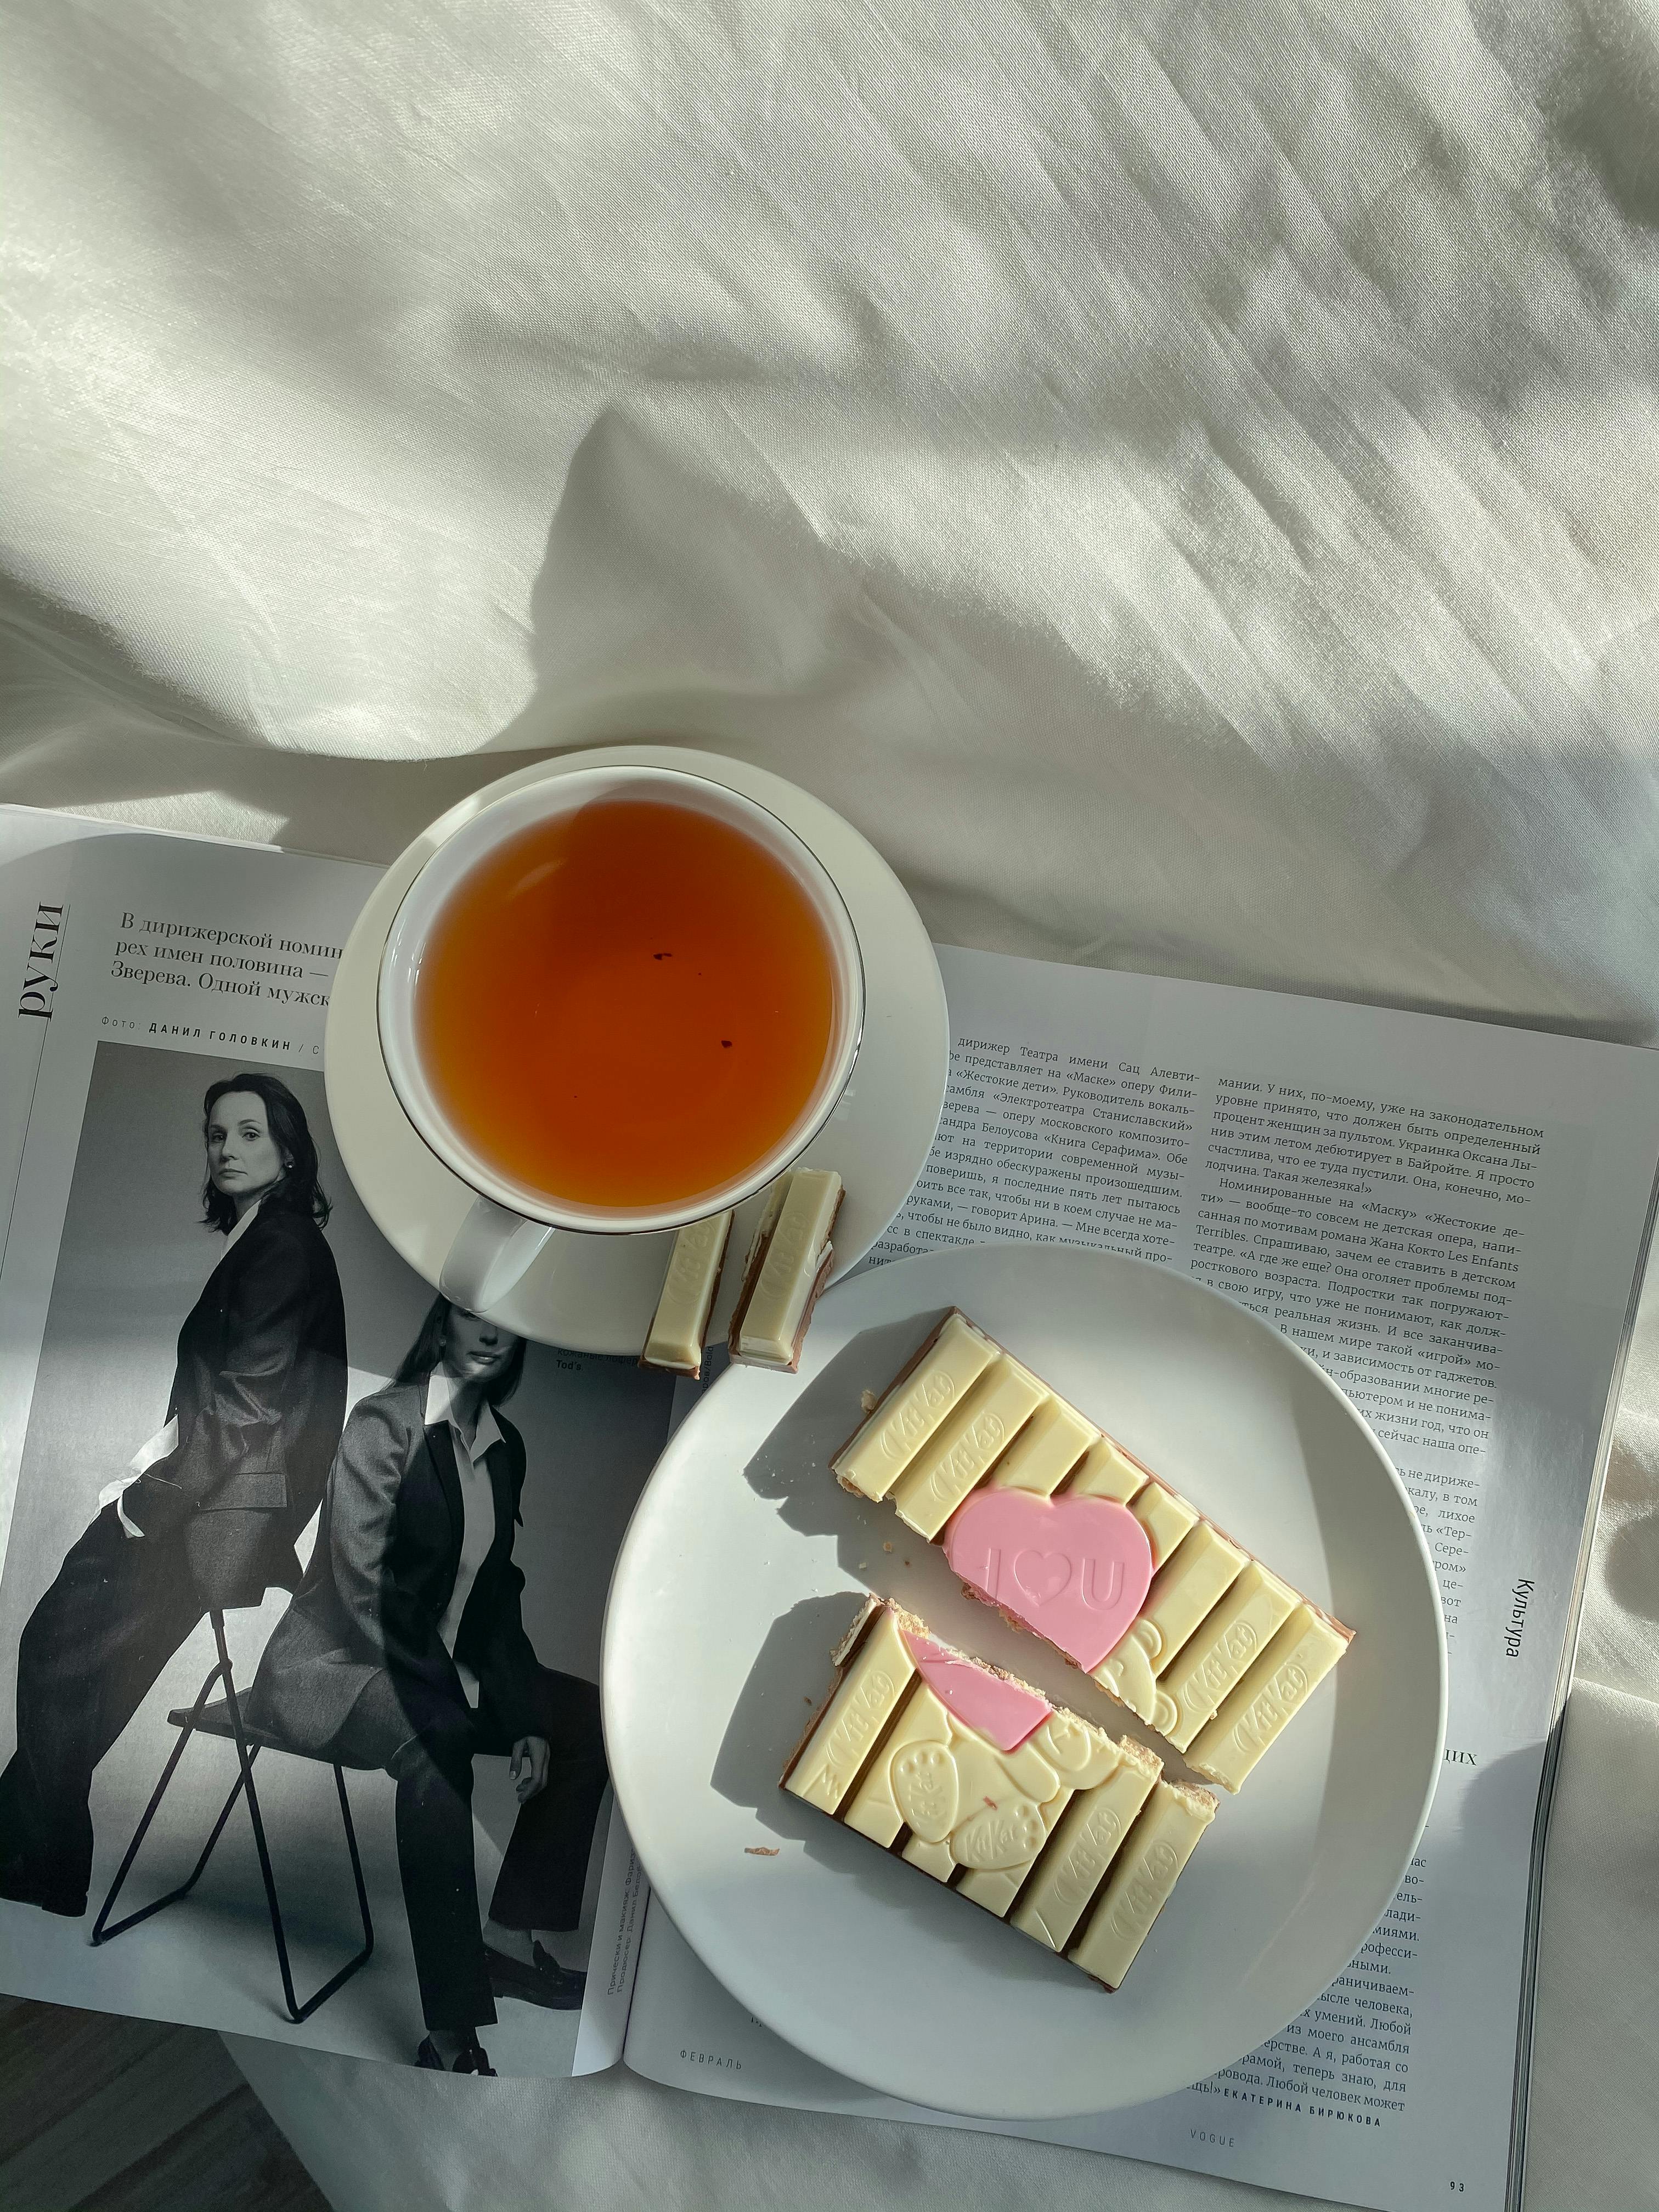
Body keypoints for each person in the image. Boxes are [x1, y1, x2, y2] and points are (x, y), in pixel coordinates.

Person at [0, 1071, 348, 1917]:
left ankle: (47, 1858)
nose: (226, 1149)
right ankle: (34, 1856)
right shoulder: (274, 1239)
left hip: (222, 1510)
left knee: (54, 1646)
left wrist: (147, 1504)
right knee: (91, 1665)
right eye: (216, 1134)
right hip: (230, 1499)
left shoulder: (283, 1248)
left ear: (289, 1151)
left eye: (249, 1133)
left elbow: (248, 1407)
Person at [246, 1297, 610, 2074]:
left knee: (583, 1721)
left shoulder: (504, 1447)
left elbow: (497, 1596)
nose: (492, 1332)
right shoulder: (384, 1426)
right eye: (474, 1313)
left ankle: (508, 1940)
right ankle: (451, 2031)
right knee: (437, 1735)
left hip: (441, 1672)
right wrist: (454, 1694)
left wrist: (524, 1716)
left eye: (508, 1321)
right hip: (339, 1671)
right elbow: (364, 1586)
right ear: (441, 1325)